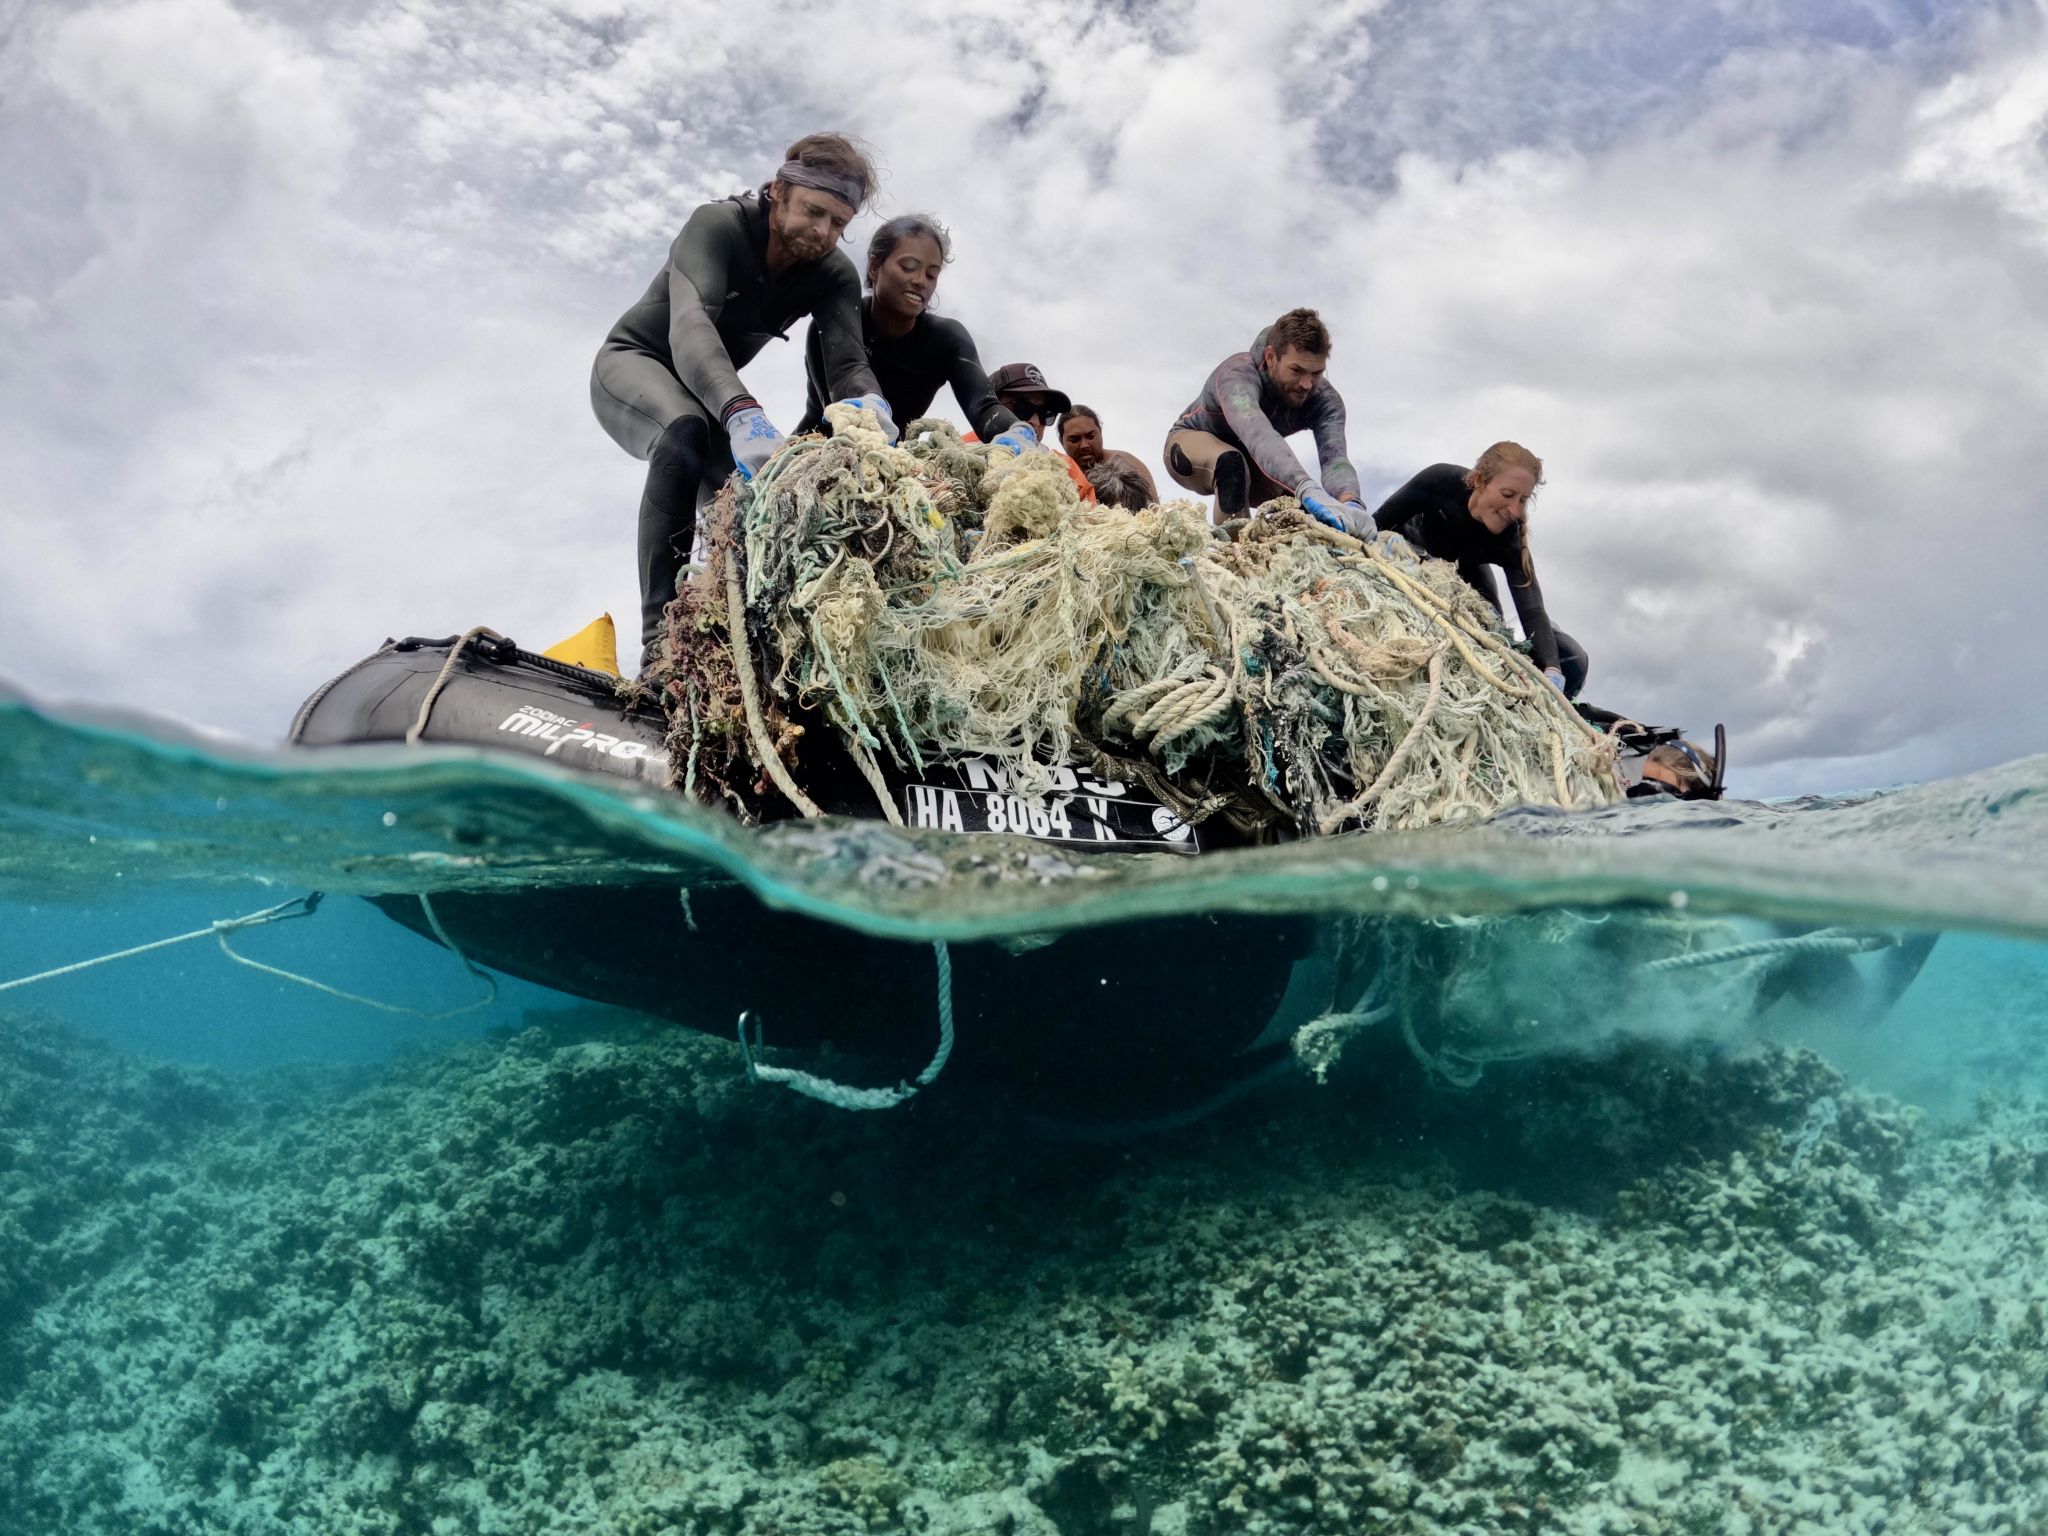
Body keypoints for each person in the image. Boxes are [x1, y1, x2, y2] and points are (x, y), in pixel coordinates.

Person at [591, 132, 894, 666]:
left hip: (715, 400)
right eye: (814, 211)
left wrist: (871, 406)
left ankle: (731, 652)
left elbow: (847, 364)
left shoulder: (832, 275)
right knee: (683, 432)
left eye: (839, 224)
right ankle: (659, 650)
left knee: (760, 510)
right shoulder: (719, 226)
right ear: (779, 191)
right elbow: (689, 325)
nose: (824, 232)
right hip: (640, 363)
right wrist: (740, 411)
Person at [1372, 443, 1590, 697]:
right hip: (1409, 547)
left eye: (1523, 499)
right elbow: (1376, 523)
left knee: (1492, 629)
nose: (1515, 510)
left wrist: (1553, 669)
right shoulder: (1440, 481)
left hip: (1467, 571)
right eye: (1508, 494)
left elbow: (1532, 610)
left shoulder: (1510, 538)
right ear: (1478, 480)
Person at [793, 214, 1023, 446]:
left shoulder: (946, 340)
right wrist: (871, 404)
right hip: (818, 442)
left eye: (932, 274)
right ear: (874, 267)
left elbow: (984, 407)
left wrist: (1016, 431)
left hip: (892, 456)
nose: (921, 281)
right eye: (909, 267)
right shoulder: (838, 321)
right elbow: (841, 403)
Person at [1164, 307, 1368, 531]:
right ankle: (1234, 555)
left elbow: (1334, 460)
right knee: (1233, 463)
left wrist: (1351, 502)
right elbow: (1258, 434)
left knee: (1300, 507)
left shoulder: (1326, 401)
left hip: (1255, 460)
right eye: (1296, 370)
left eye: (1317, 373)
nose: (1307, 384)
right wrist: (1305, 485)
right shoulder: (1237, 375)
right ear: (1271, 357)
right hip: (1191, 444)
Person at [985, 362, 1095, 500]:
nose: (1035, 422)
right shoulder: (958, 451)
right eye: (1023, 409)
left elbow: (1092, 516)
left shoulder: (1066, 469)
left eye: (1045, 414)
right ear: (990, 408)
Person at [1060, 405, 1158, 509]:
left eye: (1090, 436)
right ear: (1062, 442)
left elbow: (1152, 514)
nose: (1084, 445)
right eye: (1075, 440)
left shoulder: (1122, 464)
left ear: (1100, 433)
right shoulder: (1057, 474)